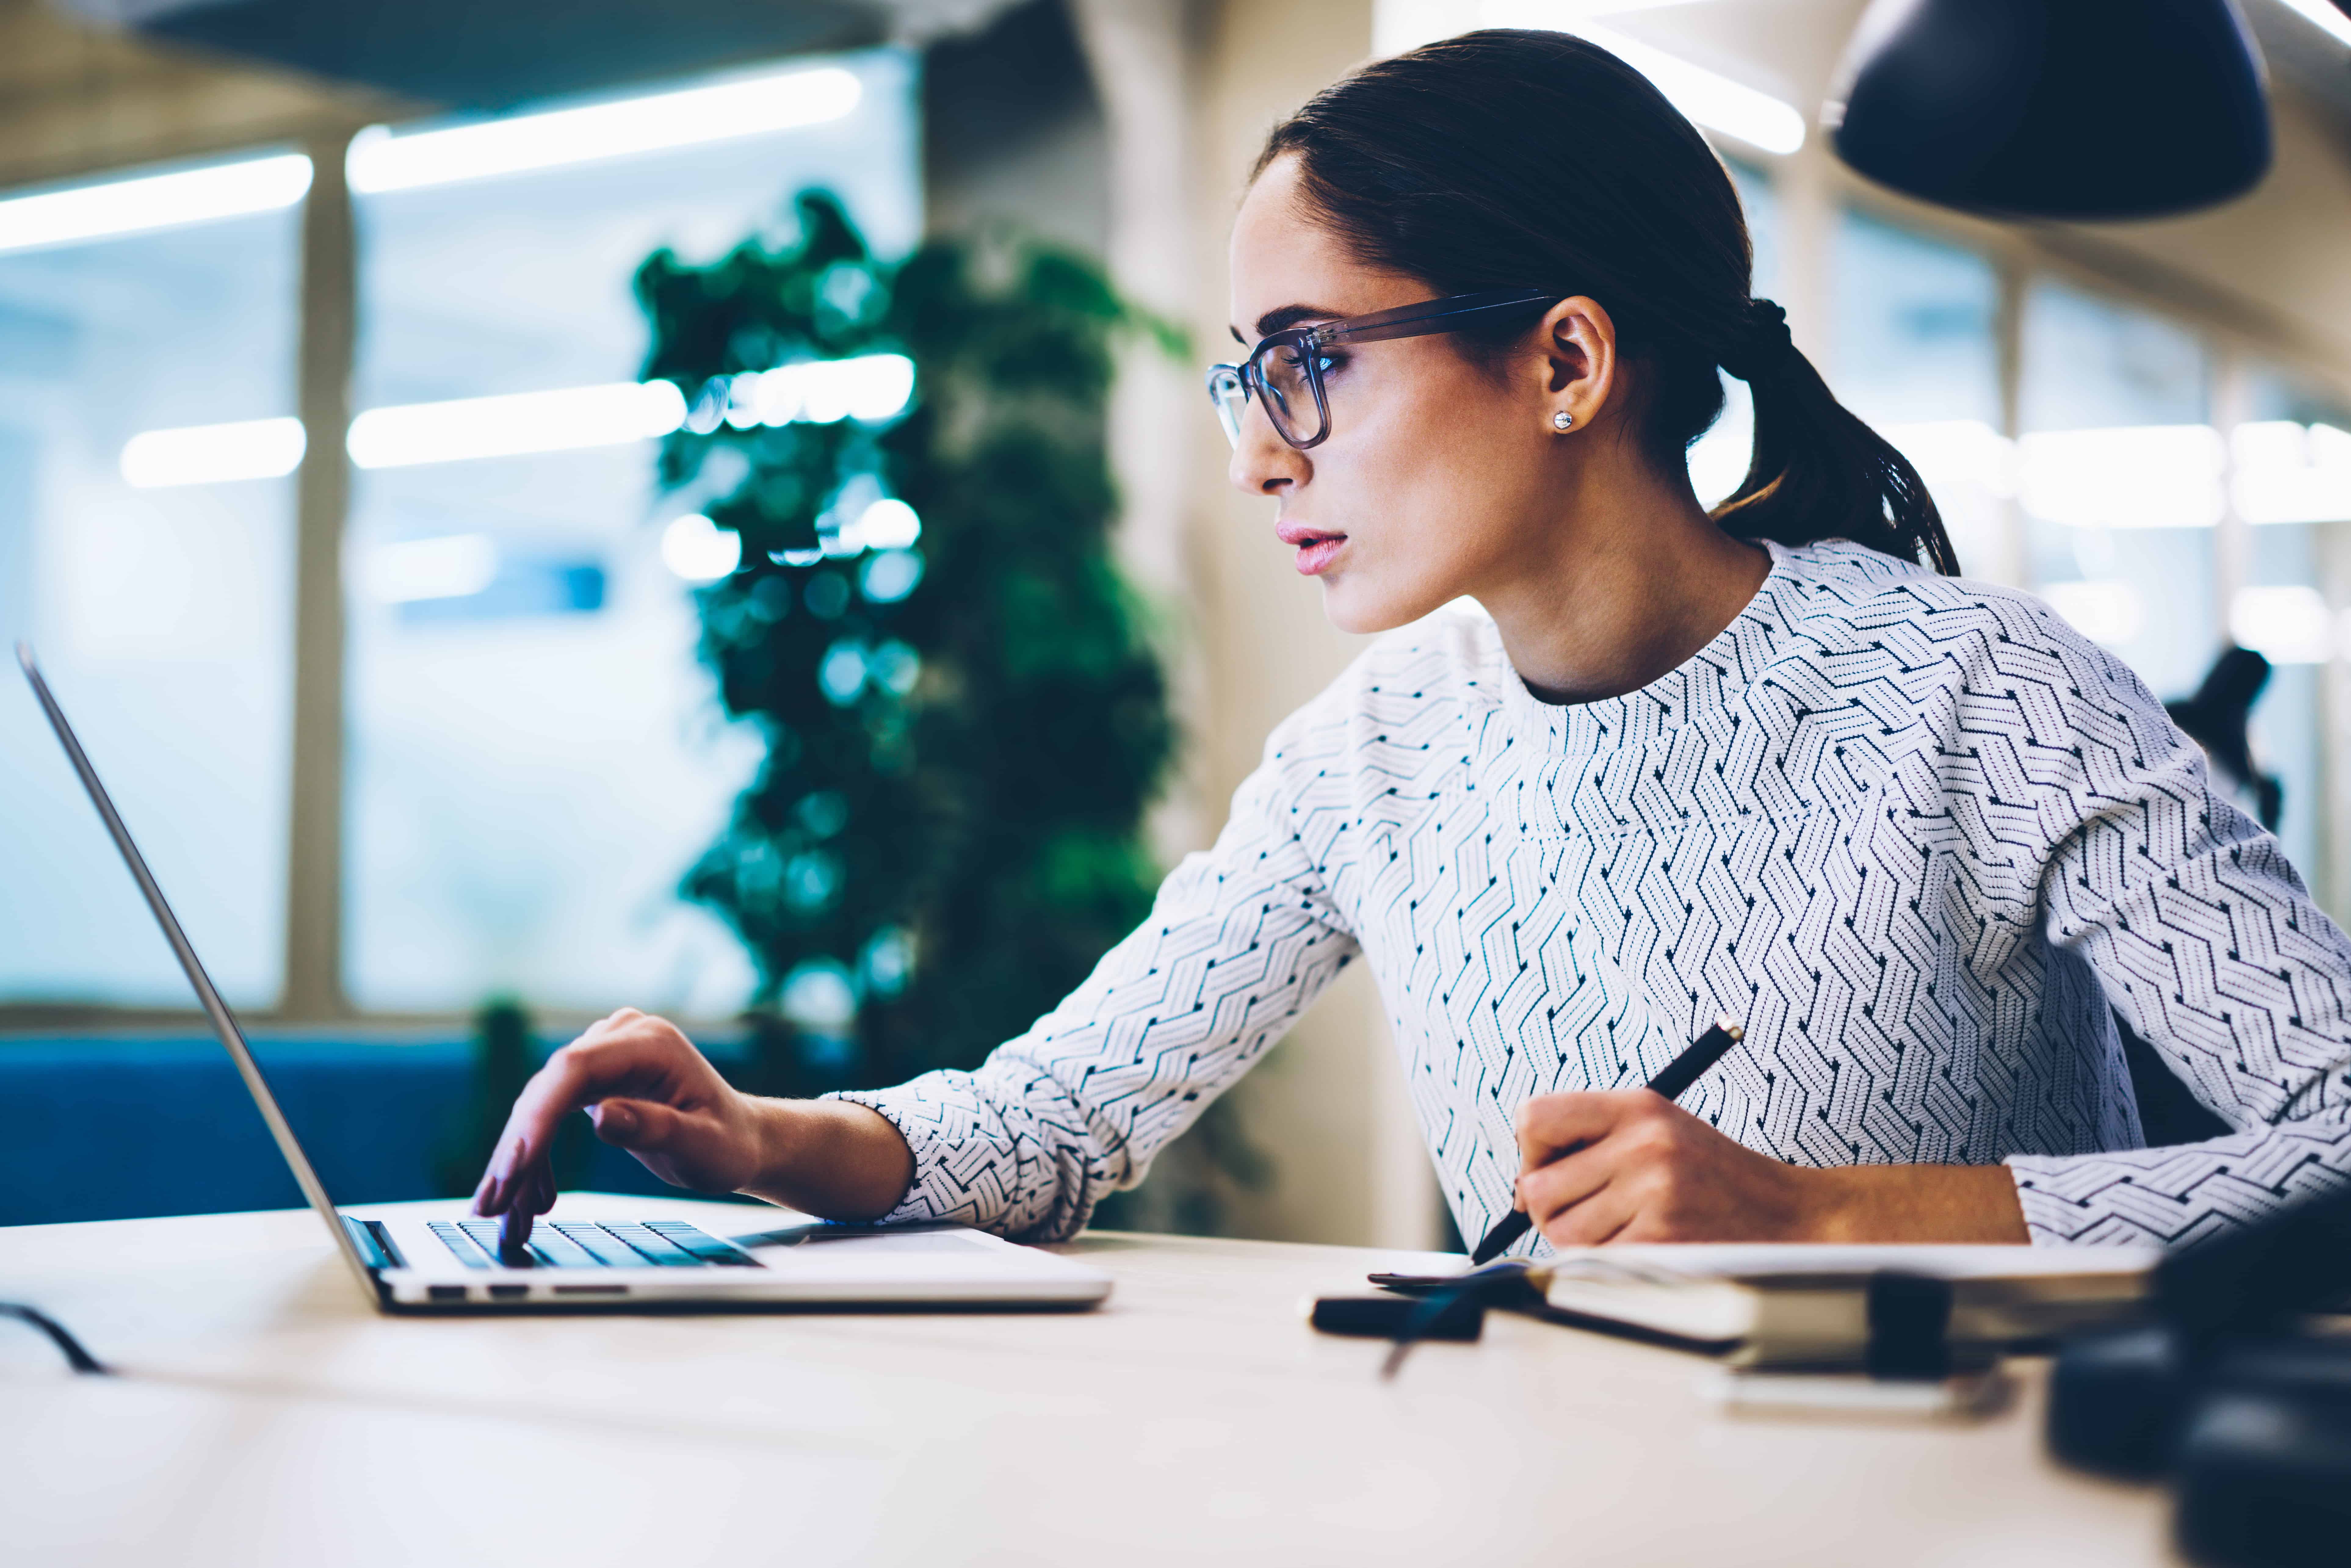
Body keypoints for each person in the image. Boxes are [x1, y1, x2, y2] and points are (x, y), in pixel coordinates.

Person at [473, 30, 2351, 1255]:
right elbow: (1054, 1118)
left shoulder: (1981, 694)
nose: (1254, 446)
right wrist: (769, 1134)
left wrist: (1827, 1214)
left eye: (1307, 362)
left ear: (1562, 360)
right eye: (1239, 374)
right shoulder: (1375, 750)